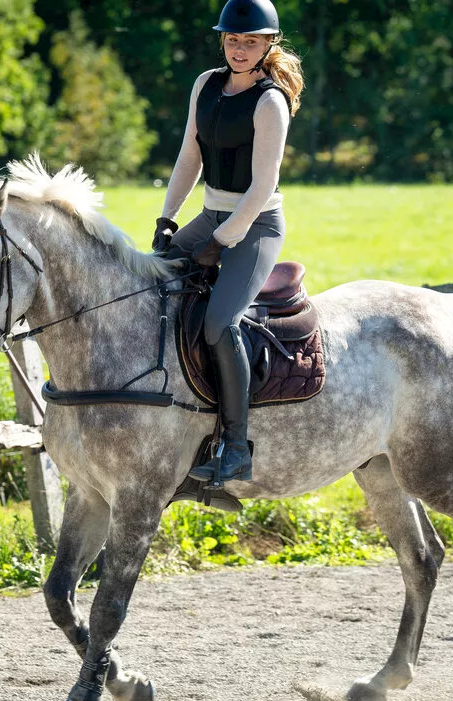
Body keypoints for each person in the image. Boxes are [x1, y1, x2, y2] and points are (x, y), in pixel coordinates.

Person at [152, 0, 303, 485]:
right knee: (150, 282)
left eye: (251, 42)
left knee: (220, 322)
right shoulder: (205, 84)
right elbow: (188, 157)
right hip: (211, 215)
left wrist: (221, 240)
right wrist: (167, 217)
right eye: (233, 40)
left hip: (256, 226)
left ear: (268, 45)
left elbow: (261, 188)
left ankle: (237, 446)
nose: (240, 49)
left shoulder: (270, 101)